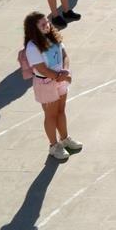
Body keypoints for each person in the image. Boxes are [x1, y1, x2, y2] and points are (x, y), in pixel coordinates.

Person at [22, 12, 82, 160]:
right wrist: (59, 76)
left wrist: (65, 71)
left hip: (60, 79)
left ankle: (65, 138)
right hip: (46, 83)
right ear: (33, 29)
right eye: (42, 25)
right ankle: (54, 146)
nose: (47, 25)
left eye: (47, 22)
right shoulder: (32, 46)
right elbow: (41, 68)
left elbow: (64, 55)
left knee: (61, 111)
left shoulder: (53, 36)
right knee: (51, 115)